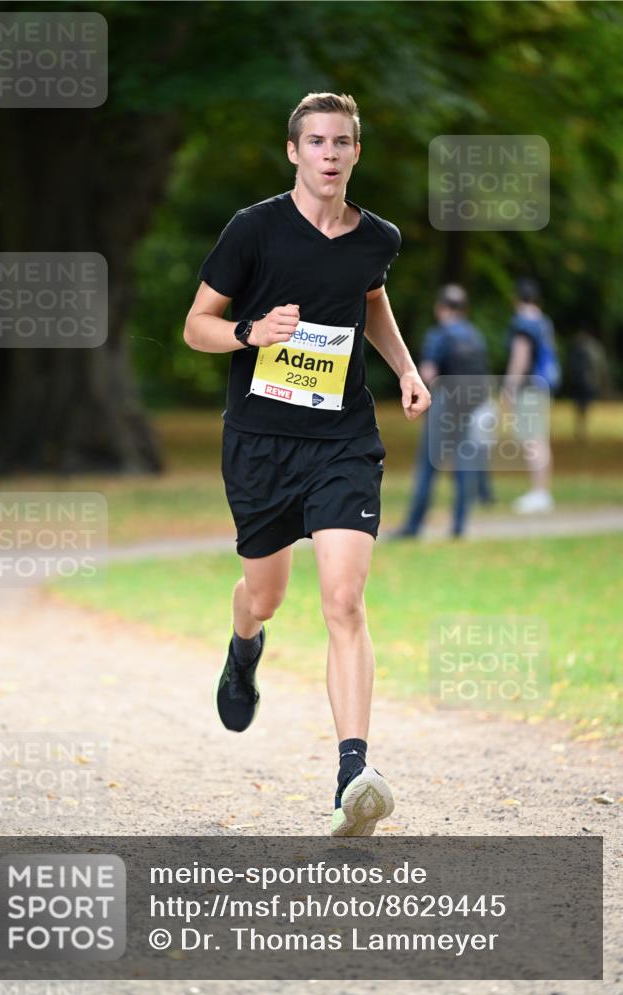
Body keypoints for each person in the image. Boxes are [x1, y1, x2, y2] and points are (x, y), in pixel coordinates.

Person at [183, 92, 430, 836]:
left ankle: (352, 772)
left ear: (356, 153)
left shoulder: (375, 237)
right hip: (259, 442)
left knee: (343, 601)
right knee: (264, 596)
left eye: (342, 142)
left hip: (342, 441)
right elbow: (197, 327)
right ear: (293, 151)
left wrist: (405, 371)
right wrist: (252, 331)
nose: (329, 153)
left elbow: (371, 301)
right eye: (316, 141)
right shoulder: (252, 230)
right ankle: (243, 646)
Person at [388, 284, 490, 539]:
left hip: (444, 402)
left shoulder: (439, 335)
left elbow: (428, 372)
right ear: (464, 308)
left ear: (440, 307)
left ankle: (413, 526)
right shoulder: (474, 335)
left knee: (428, 465)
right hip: (469, 403)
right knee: (464, 463)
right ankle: (459, 525)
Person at [504, 278, 559, 514]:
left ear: (517, 298)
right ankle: (542, 491)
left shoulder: (522, 322)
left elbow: (521, 356)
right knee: (540, 438)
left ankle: (540, 493)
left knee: (532, 439)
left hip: (529, 388)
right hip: (544, 385)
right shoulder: (543, 321)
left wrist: (509, 386)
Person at [566, 328, 608, 440]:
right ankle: (583, 429)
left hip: (580, 382)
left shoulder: (577, 349)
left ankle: (580, 429)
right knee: (585, 406)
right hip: (590, 382)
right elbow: (601, 366)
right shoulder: (596, 348)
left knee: (580, 406)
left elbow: (571, 366)